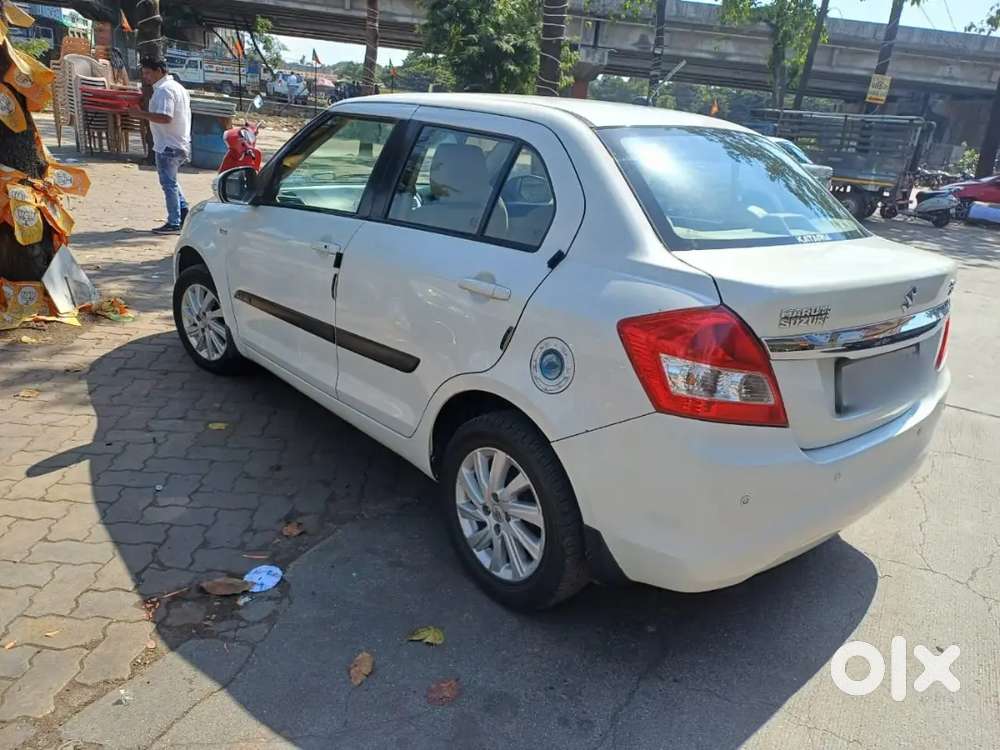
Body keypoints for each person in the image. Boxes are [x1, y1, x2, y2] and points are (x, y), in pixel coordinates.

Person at [128, 57, 192, 234]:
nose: (146, 77)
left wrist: (142, 115)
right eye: (144, 73)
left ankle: (174, 222)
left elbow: (165, 117)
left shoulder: (165, 90)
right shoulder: (177, 88)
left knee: (169, 184)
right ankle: (183, 214)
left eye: (148, 73)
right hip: (176, 142)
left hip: (169, 145)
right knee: (171, 182)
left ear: (160, 71)